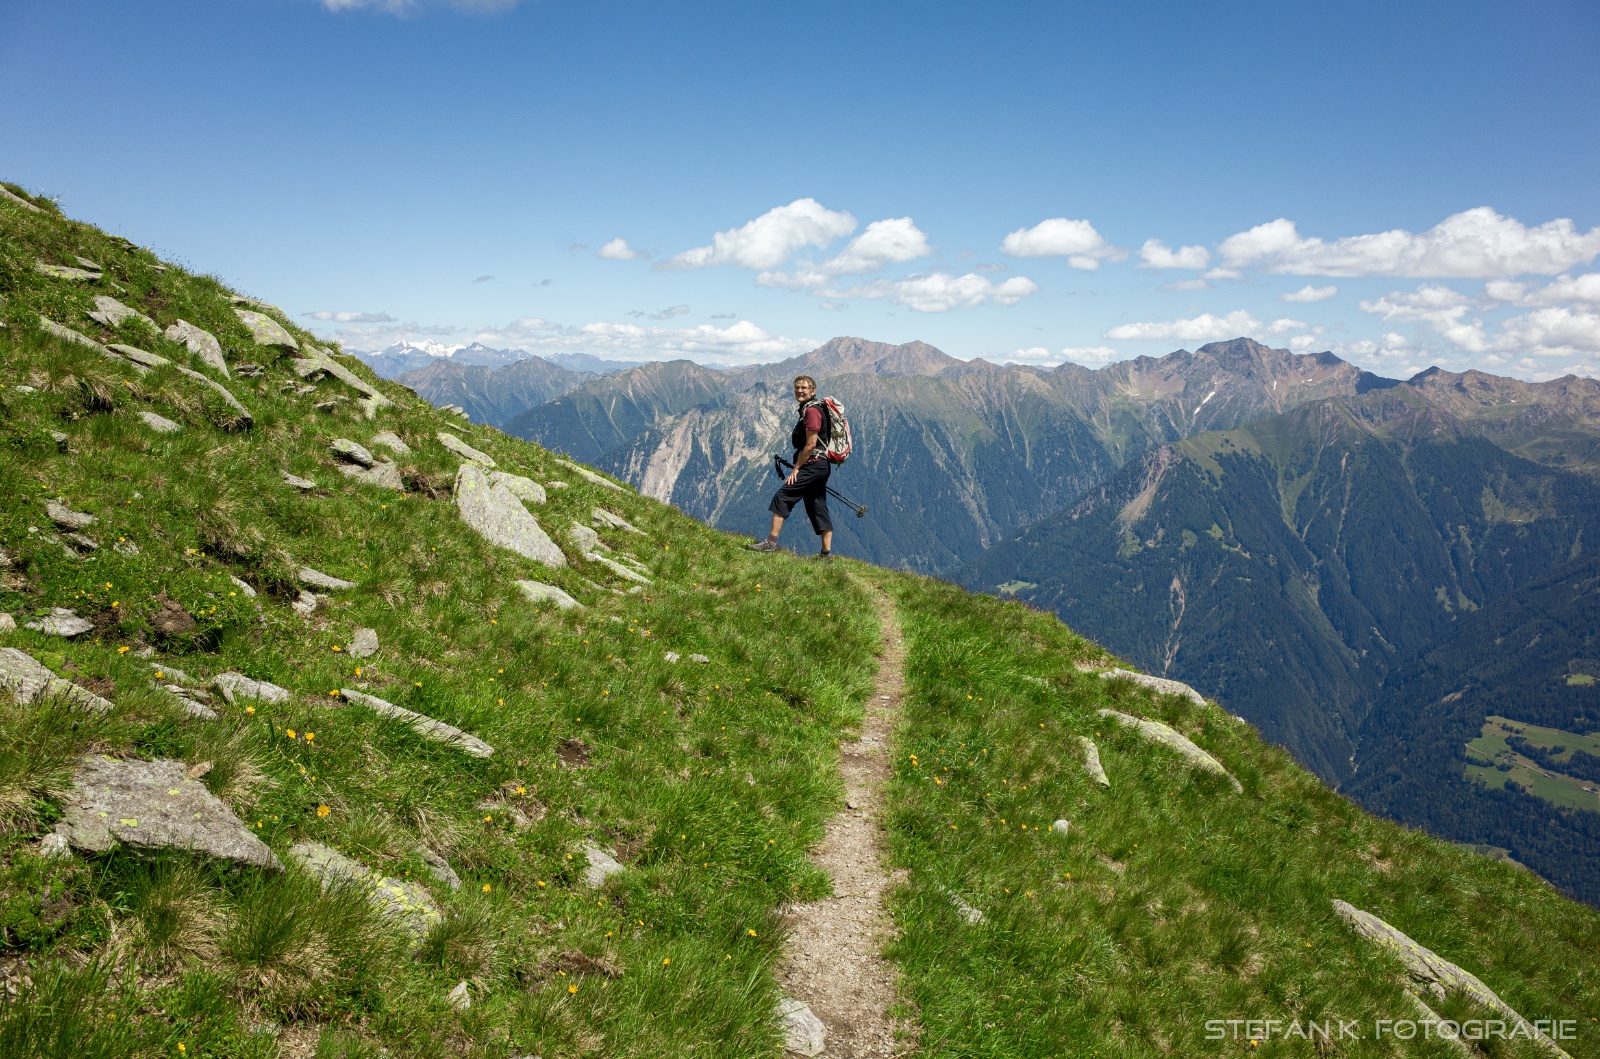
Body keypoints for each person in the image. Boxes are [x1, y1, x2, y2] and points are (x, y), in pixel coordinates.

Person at [749, 375, 833, 558]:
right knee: (817, 504)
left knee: (783, 496)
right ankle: (826, 554)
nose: (800, 391)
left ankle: (770, 543)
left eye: (804, 388)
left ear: (813, 391)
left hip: (812, 465)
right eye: (797, 388)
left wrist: (796, 468)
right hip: (821, 466)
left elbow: (810, 444)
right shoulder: (815, 408)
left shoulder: (811, 411)